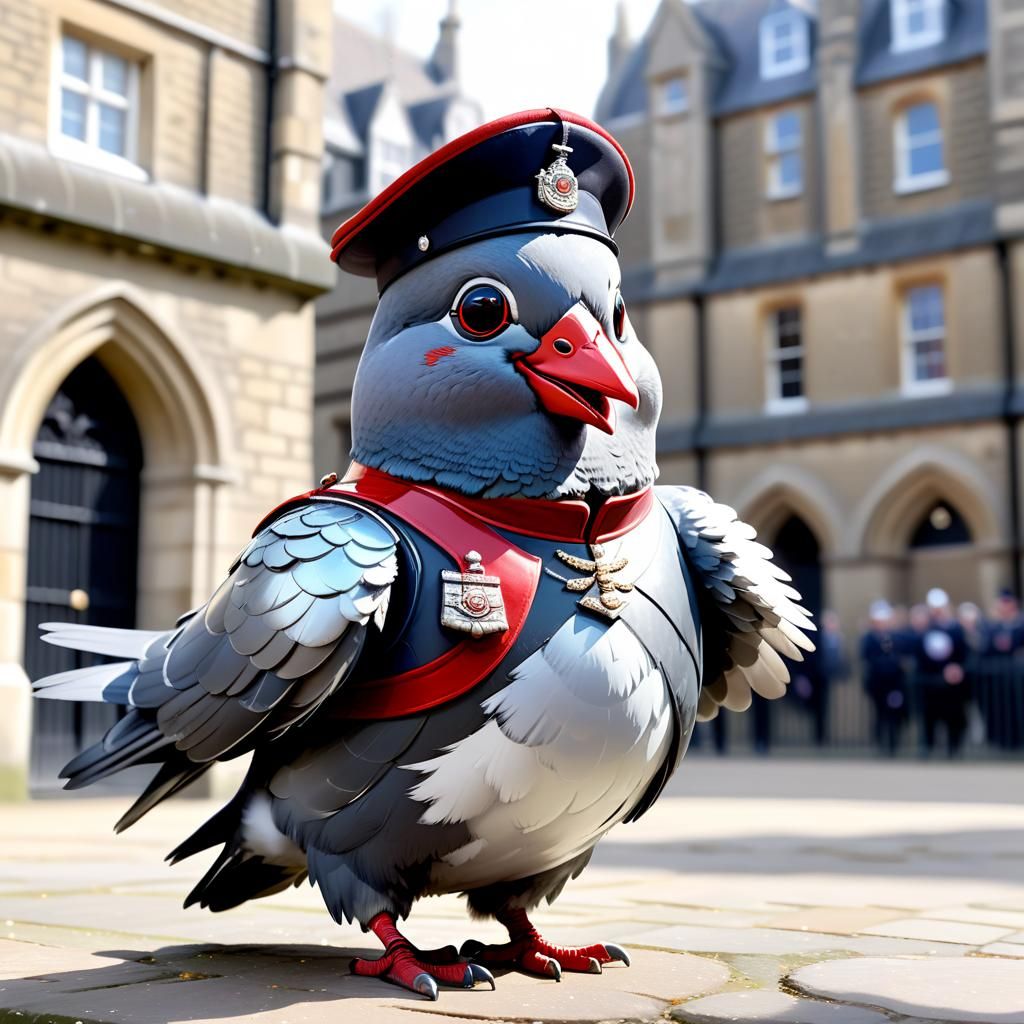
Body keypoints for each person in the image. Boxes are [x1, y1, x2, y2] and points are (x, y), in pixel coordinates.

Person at [910, 588, 970, 757]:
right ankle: (927, 747)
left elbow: (964, 654)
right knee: (929, 717)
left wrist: (957, 668)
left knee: (953, 716)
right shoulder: (923, 630)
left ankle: (954, 748)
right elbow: (917, 655)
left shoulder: (956, 629)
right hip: (929, 681)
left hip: (951, 684)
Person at [860, 600, 907, 755]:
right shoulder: (868, 638)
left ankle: (894, 744)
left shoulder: (895, 637)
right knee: (880, 714)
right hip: (877, 683)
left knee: (894, 713)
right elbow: (868, 658)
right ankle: (881, 745)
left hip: (894, 683)